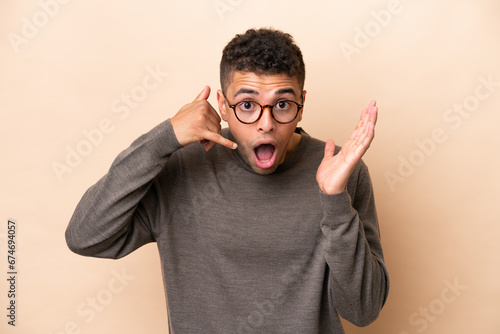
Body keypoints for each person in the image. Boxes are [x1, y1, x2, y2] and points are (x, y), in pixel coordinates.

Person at [66, 28, 389, 333]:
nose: (266, 124)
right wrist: (163, 139)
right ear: (222, 105)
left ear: (301, 105)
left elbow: (362, 310)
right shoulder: (183, 166)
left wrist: (334, 202)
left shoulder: (341, 172)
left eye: (282, 105)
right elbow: (85, 236)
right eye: (247, 105)